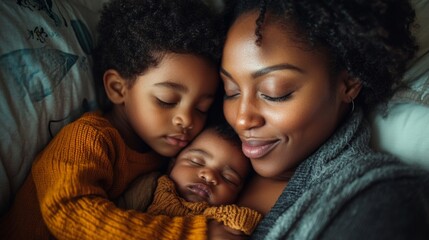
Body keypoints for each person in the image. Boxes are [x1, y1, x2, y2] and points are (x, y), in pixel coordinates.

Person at [0, 0, 225, 239]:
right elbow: (68, 212)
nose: (187, 120)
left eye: (202, 108)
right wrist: (195, 234)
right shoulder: (89, 138)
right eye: (167, 100)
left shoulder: (168, 157)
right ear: (118, 88)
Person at [213, 0, 429, 239]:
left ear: (349, 82)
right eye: (231, 91)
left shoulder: (382, 201)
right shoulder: (192, 144)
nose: (242, 120)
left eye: (275, 93)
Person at [118, 122, 262, 235]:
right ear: (172, 164)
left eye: (228, 178)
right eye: (196, 161)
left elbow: (246, 222)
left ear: (238, 194)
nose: (209, 175)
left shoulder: (223, 218)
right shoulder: (151, 186)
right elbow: (120, 218)